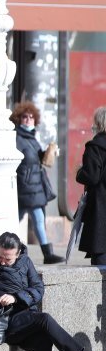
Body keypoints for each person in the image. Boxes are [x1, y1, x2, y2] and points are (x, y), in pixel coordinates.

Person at [10, 101, 64, 264]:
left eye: (31, 117)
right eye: (24, 117)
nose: (28, 120)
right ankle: (47, 254)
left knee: (19, 221)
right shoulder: (17, 138)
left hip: (34, 187)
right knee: (23, 221)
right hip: (26, 187)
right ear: (19, 119)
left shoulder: (31, 138)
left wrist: (48, 153)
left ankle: (47, 254)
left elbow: (36, 159)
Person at [75, 106, 106, 266]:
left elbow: (91, 176)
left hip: (101, 211)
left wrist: (79, 172)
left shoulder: (96, 147)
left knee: (101, 257)